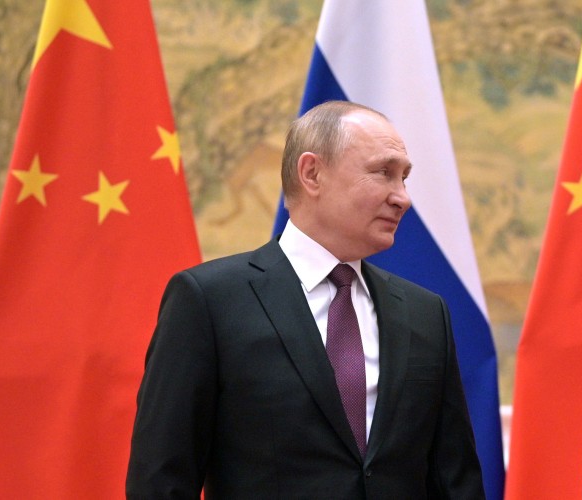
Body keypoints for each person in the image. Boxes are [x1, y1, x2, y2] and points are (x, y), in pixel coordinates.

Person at [127, 100, 485, 499]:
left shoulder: (424, 313)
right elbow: (161, 481)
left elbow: (455, 481)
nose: (402, 198)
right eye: (384, 173)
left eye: (404, 178)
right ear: (312, 173)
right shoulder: (209, 302)